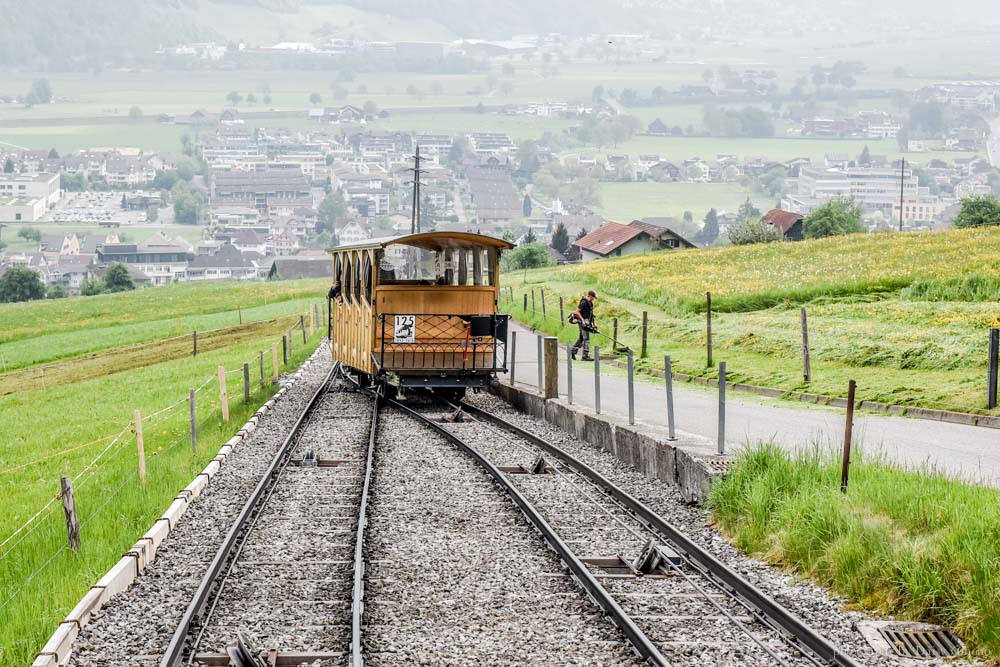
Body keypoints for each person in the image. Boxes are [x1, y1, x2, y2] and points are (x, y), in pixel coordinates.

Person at [571, 290, 597, 361]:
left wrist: (593, 325)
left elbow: (591, 315)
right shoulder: (584, 302)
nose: (593, 299)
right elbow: (577, 312)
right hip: (582, 322)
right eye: (593, 297)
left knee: (581, 338)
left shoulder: (590, 303)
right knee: (586, 338)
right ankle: (585, 356)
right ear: (590, 296)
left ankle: (572, 351)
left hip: (587, 322)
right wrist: (582, 320)